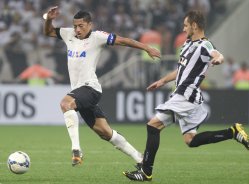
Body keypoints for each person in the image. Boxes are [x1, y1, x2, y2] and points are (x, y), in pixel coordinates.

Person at [123, 10, 249, 181]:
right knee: (190, 140)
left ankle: (146, 171)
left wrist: (218, 60)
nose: (183, 29)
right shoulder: (187, 45)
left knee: (153, 125)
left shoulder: (204, 45)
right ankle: (233, 132)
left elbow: (217, 54)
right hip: (188, 96)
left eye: (185, 25)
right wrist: (162, 81)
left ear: (194, 25)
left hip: (186, 95)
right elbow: (180, 71)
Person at [44, 7, 161, 167]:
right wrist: (49, 20)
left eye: (81, 26)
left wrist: (147, 48)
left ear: (90, 25)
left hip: (91, 88)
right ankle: (140, 159)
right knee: (106, 133)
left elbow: (123, 40)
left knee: (65, 103)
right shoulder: (68, 34)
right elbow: (49, 32)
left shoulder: (97, 37)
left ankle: (76, 150)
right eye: (75, 26)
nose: (77, 29)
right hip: (79, 93)